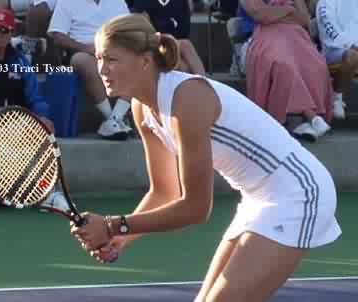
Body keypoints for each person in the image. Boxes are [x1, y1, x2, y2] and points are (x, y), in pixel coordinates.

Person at [70, 14, 341, 301]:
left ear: (145, 61)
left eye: (112, 59)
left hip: (298, 191)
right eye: (99, 58)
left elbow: (196, 209)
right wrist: (121, 237)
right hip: (256, 198)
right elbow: (164, 191)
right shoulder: (142, 108)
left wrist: (114, 225)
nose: (102, 69)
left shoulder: (187, 98)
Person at [0, 8, 68, 214]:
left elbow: (35, 97)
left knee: (45, 132)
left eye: (5, 31)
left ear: (11, 34)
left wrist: (42, 116)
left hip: (16, 120)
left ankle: (48, 193)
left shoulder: (21, 62)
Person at [244, 0, 334, 142]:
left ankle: (302, 122)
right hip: (266, 36)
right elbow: (259, 15)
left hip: (295, 36)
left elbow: (304, 19)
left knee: (316, 66)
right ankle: (309, 116)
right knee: (284, 66)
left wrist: (273, 13)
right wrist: (288, 9)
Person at [47, 0, 132, 140]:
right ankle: (113, 118)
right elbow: (57, 35)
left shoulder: (118, 2)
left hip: (116, 52)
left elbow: (129, 31)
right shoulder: (67, 2)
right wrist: (85, 48)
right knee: (82, 60)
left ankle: (114, 119)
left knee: (137, 62)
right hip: (83, 52)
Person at [131, 0, 205, 75]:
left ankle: (204, 82)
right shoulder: (142, 3)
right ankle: (204, 82)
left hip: (170, 45)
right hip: (156, 45)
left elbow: (183, 30)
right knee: (183, 65)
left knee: (185, 46)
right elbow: (146, 30)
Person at [316, 0, 358, 120]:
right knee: (353, 56)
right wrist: (352, 45)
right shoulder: (325, 3)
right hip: (334, 50)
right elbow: (330, 32)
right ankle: (336, 98)